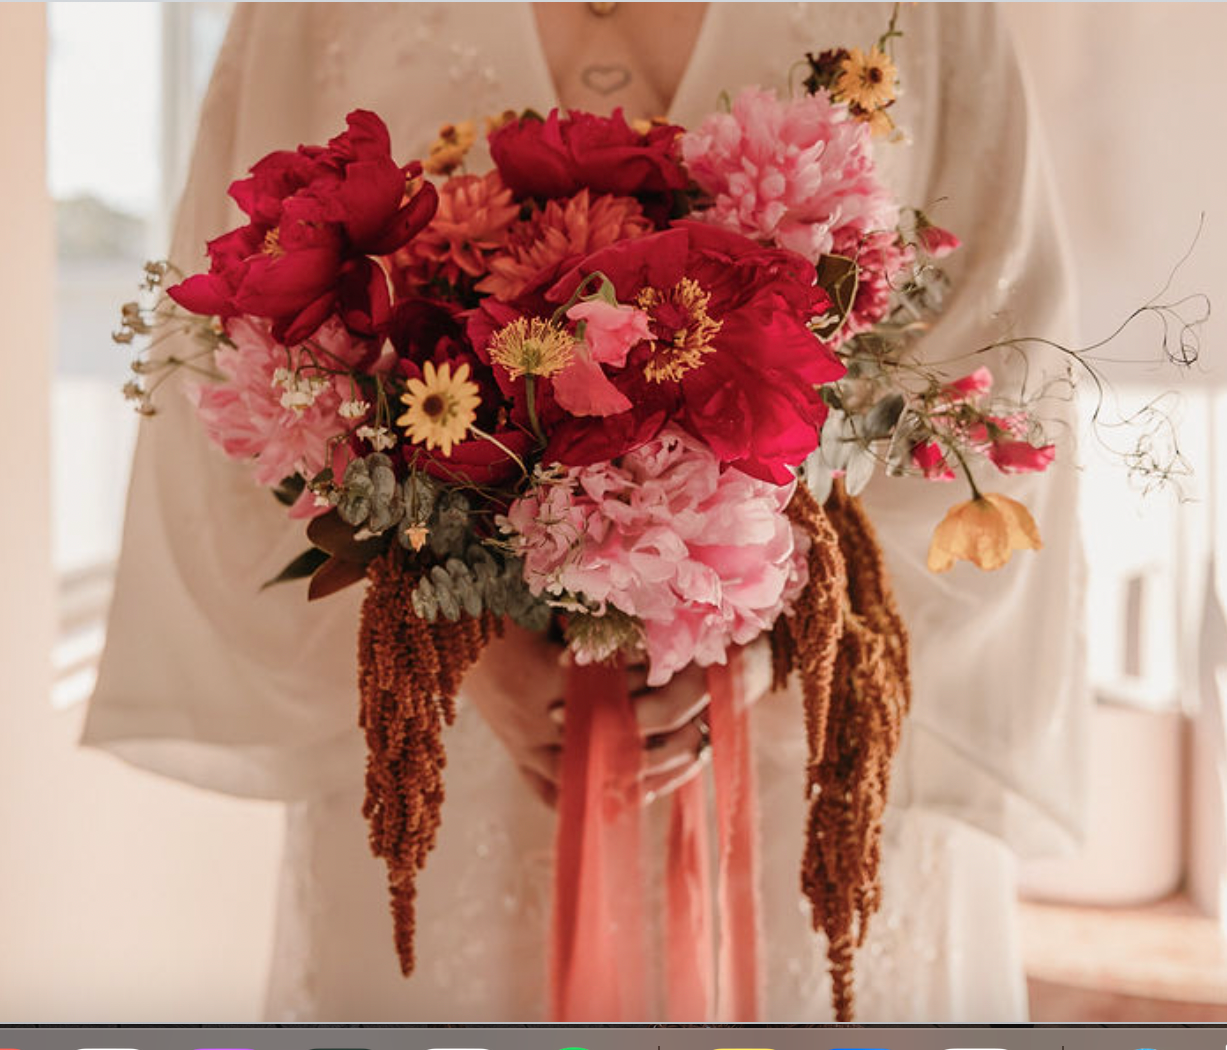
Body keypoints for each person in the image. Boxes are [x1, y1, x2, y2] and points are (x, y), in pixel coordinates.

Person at [84, 1, 1086, 1022]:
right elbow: (239, 355)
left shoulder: (931, 15)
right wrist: (448, 639)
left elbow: (1004, 357)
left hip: (804, 748)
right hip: (449, 743)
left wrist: (765, 627)